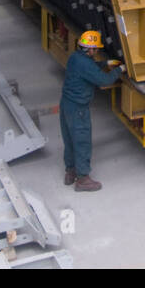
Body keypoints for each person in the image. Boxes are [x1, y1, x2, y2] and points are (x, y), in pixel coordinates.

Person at [60, 30, 125, 192]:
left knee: (69, 139)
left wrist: (106, 63)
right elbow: (104, 80)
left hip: (66, 105)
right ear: (89, 49)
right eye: (95, 49)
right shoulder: (85, 63)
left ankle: (70, 172)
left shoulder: (75, 57)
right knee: (82, 141)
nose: (96, 52)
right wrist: (120, 69)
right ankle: (83, 179)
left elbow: (90, 67)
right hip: (78, 109)